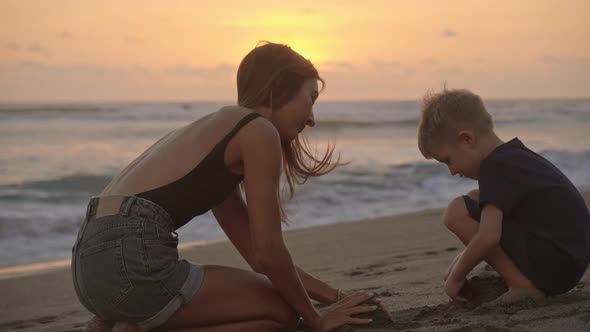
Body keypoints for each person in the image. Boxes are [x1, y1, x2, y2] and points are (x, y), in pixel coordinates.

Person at [71, 42, 382, 332]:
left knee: (283, 306)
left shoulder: (218, 135)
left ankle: (128, 320)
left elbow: (257, 255)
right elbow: (269, 252)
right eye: (310, 99)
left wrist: (338, 297)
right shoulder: (258, 132)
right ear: (278, 88)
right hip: (134, 261)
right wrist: (316, 319)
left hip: (87, 269)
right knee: (283, 314)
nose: (312, 118)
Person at [417, 88, 590, 304]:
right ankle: (520, 279)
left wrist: (455, 277)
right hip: (569, 263)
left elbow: (489, 236)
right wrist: (460, 262)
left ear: (467, 139)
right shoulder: (513, 157)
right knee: (475, 198)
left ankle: (521, 285)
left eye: (448, 160)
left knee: (456, 212)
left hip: (555, 264)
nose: (451, 171)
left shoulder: (495, 166)